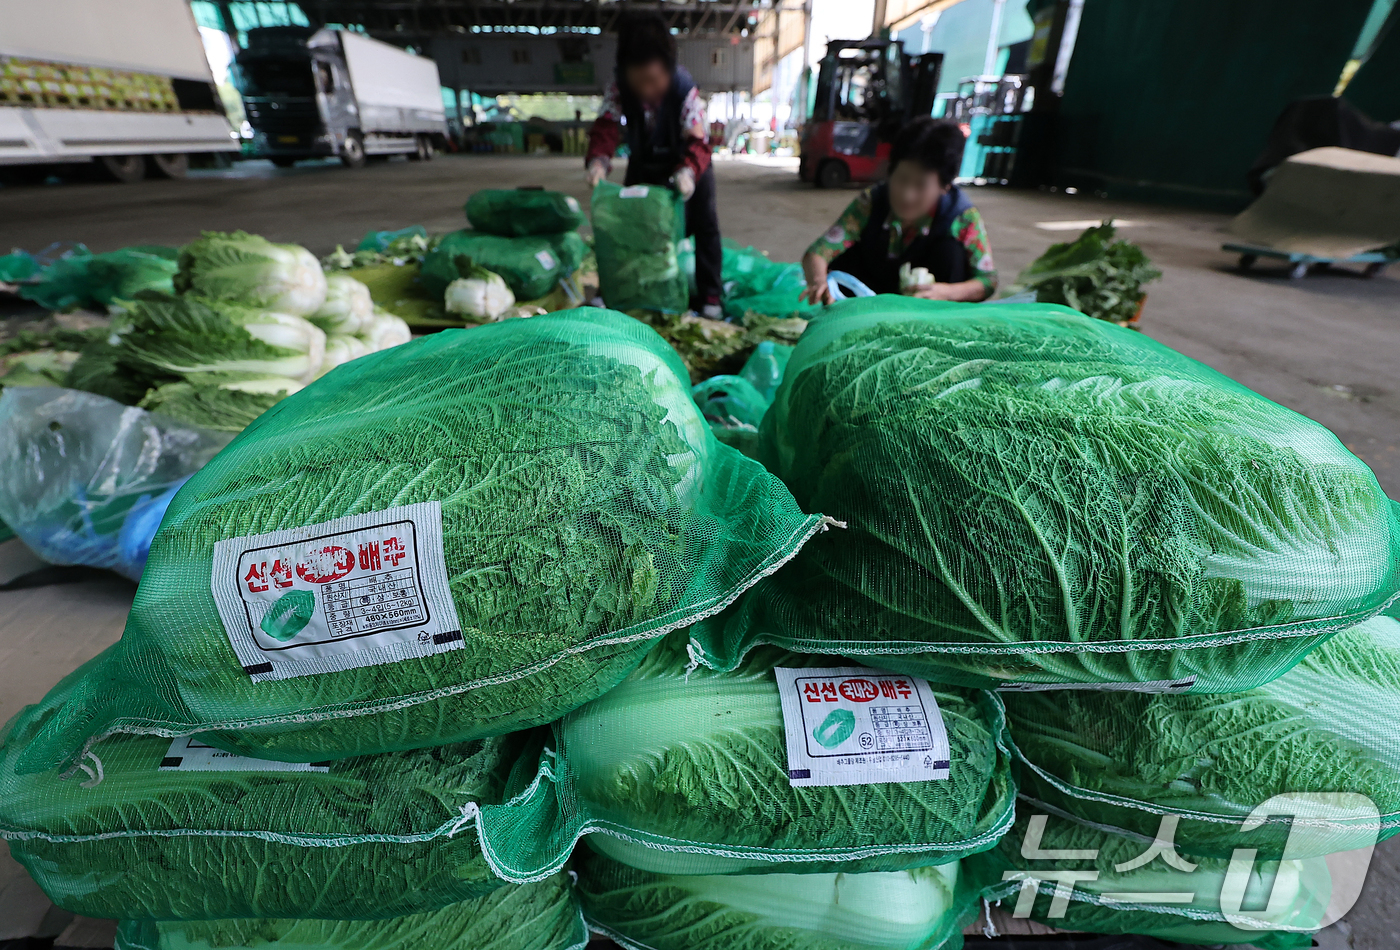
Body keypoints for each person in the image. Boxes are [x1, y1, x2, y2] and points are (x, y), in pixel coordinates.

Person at [585, 12, 723, 318]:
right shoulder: (619, 88)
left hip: (688, 165)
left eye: (654, 80)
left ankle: (711, 296)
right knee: (630, 224)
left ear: (669, 69)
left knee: (705, 225)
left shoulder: (684, 90)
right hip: (645, 162)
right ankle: (624, 292)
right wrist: (598, 161)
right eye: (639, 81)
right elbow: (606, 126)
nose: (647, 89)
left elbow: (699, 141)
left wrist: (687, 172)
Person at [801, 117, 997, 304]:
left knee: (950, 254)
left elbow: (988, 281)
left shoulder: (962, 217)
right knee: (846, 258)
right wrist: (819, 281)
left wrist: (946, 292)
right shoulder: (871, 202)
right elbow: (818, 252)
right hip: (873, 297)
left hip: (926, 307)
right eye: (901, 179)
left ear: (944, 187)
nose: (907, 195)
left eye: (921, 185)